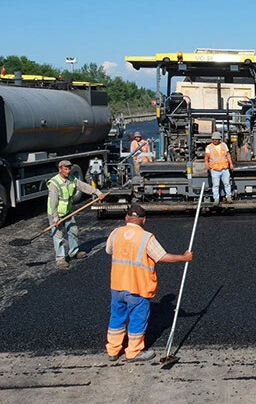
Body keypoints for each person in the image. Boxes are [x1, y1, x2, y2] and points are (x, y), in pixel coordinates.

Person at [105, 204, 194, 362]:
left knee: (117, 318)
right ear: (144, 220)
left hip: (117, 286)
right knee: (137, 320)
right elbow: (162, 257)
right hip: (137, 287)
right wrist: (184, 258)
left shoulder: (115, 233)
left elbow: (109, 250)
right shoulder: (146, 237)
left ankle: (113, 350)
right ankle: (134, 352)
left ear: (126, 218)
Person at [47, 159, 105, 268]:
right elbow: (53, 202)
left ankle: (73, 252)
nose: (68, 171)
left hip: (67, 211)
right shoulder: (54, 183)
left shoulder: (72, 179)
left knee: (73, 230)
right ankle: (60, 259)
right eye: (65, 169)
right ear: (60, 169)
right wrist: (55, 218)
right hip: (56, 213)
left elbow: (83, 186)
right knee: (58, 236)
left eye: (69, 169)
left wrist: (97, 192)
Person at [205, 131, 234, 205]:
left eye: (216, 139)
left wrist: (231, 164)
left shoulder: (224, 145)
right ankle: (216, 199)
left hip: (224, 168)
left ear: (219, 140)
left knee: (227, 183)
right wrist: (207, 165)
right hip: (215, 169)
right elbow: (206, 158)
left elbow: (228, 155)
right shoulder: (209, 147)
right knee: (215, 185)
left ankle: (228, 197)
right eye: (213, 139)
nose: (214, 140)